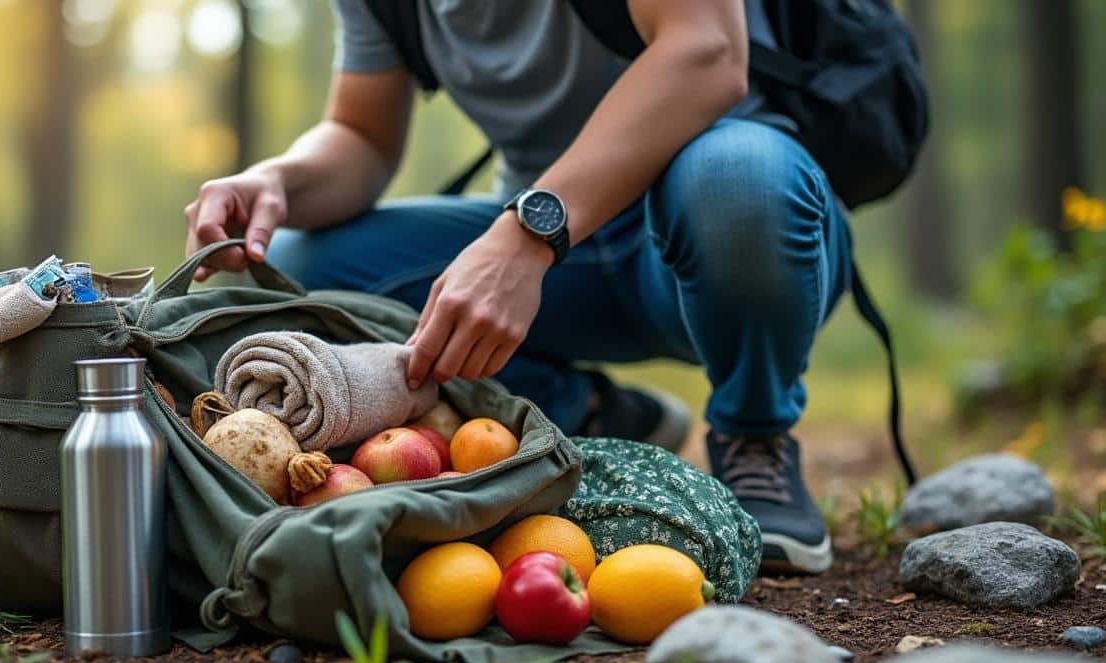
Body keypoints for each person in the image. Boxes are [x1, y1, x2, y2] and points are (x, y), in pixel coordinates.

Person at [182, 0, 848, 574]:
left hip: (730, 230)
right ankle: (581, 412)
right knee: (300, 265)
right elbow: (361, 134)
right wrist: (278, 181)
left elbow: (707, 50)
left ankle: (754, 432)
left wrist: (527, 236)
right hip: (565, 269)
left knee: (736, 180)